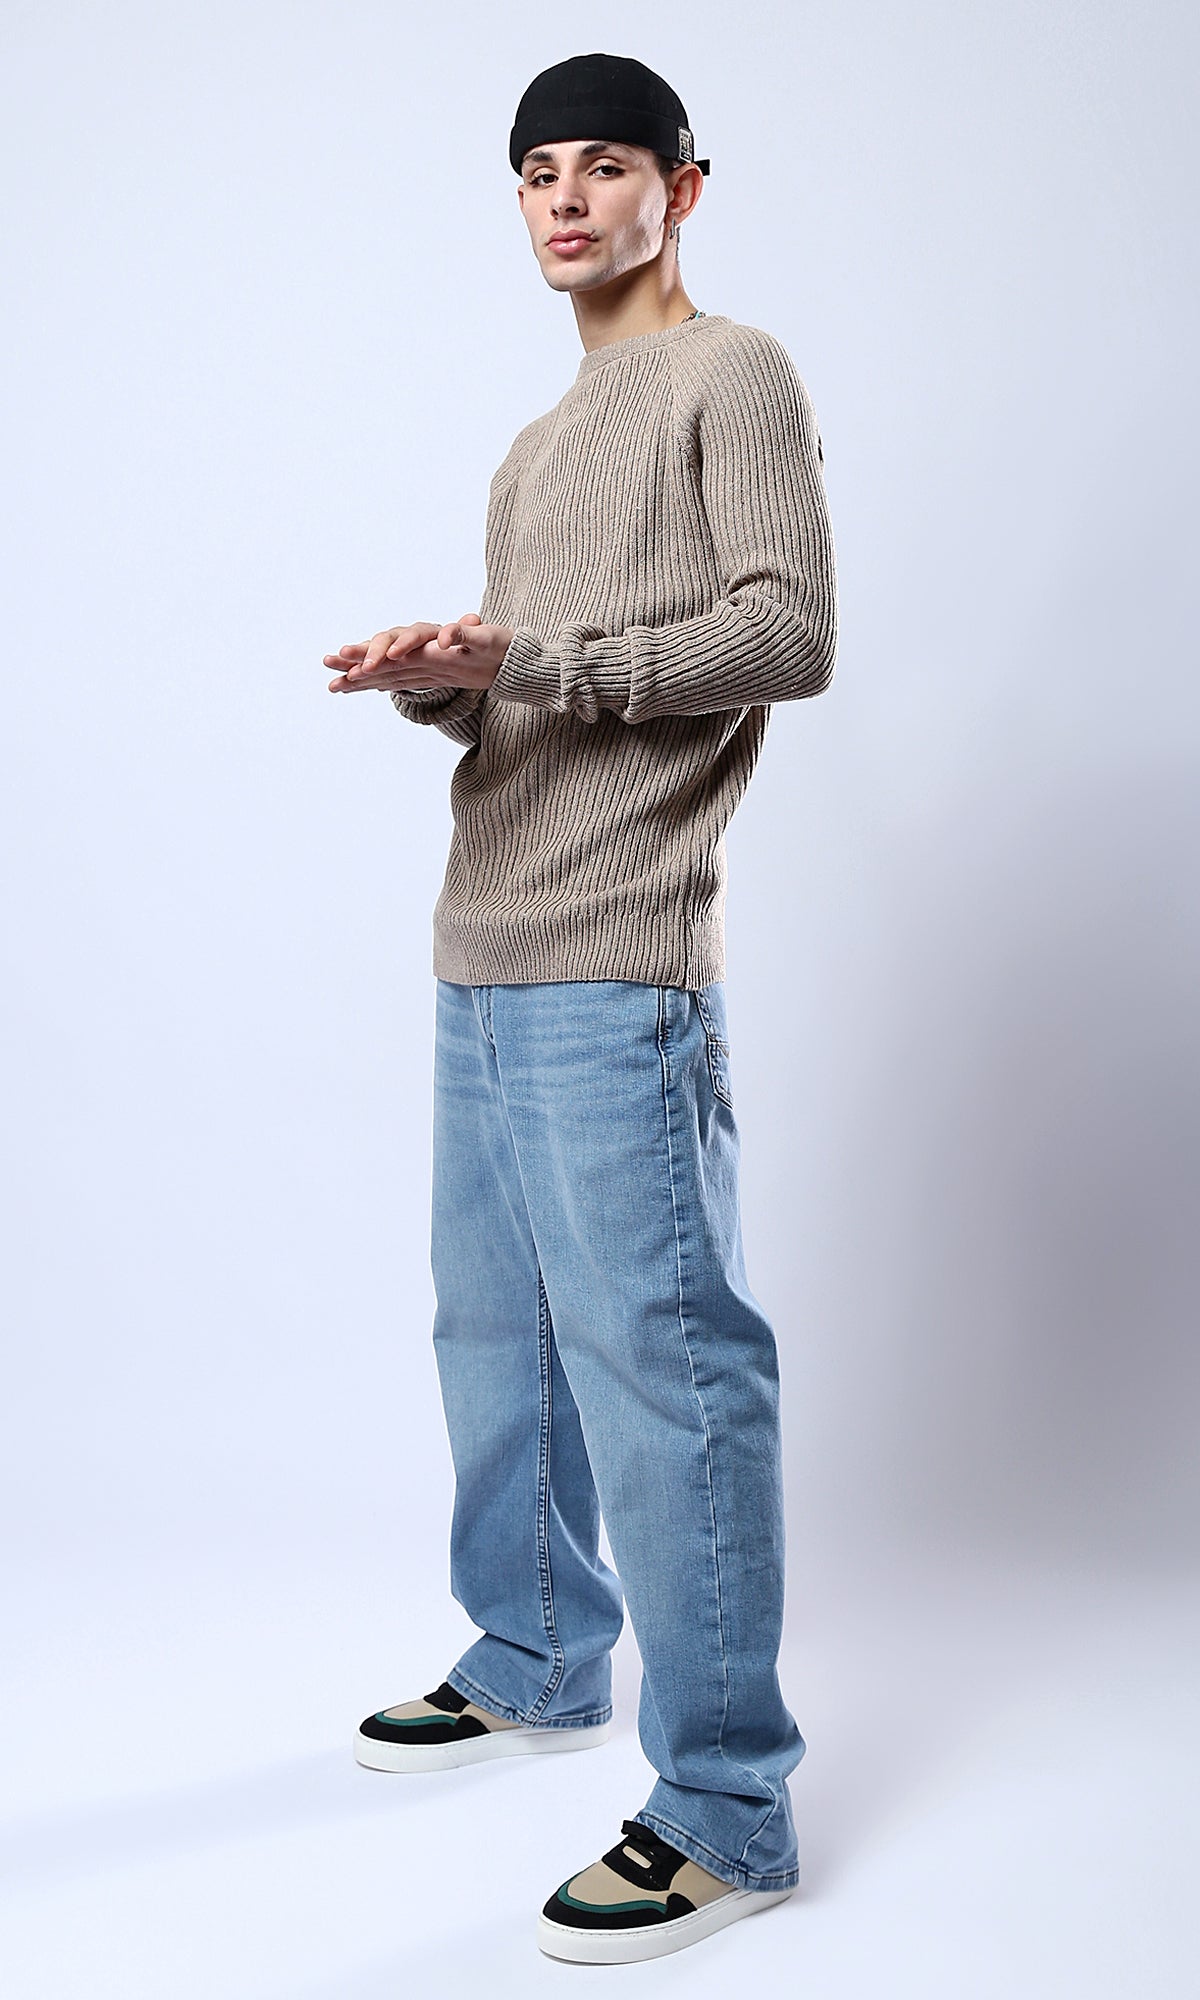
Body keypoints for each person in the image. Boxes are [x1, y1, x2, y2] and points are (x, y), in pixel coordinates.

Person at [322, 50, 838, 1968]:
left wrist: (532, 656)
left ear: (680, 190)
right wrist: (447, 680)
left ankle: (727, 1810)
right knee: (498, 1337)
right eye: (538, 169)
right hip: (482, 941)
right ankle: (537, 1652)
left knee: (668, 1368)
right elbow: (539, 693)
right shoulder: (538, 444)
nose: (564, 199)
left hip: (620, 953)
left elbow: (788, 634)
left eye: (605, 165)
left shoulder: (734, 373)